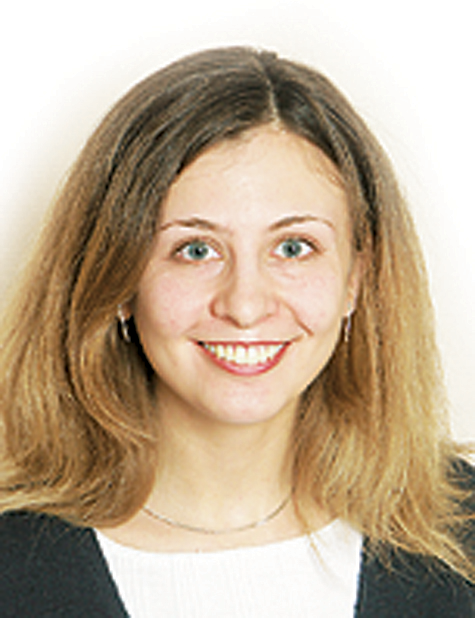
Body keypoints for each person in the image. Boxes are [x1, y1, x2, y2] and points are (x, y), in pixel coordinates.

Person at [0, 46, 473, 617]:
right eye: (195, 250)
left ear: (356, 278)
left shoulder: (461, 532)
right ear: (118, 280)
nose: (245, 306)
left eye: (293, 248)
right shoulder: (12, 564)